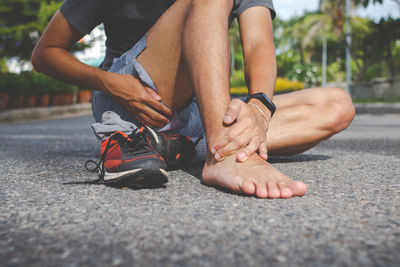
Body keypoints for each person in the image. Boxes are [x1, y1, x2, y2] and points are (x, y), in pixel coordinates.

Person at [31, 0, 355, 199]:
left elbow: (258, 43)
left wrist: (259, 107)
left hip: (202, 106)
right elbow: (45, 53)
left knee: (336, 106)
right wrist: (110, 83)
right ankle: (220, 155)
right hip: (135, 96)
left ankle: (178, 147)